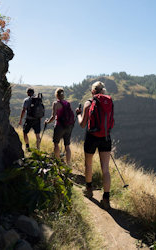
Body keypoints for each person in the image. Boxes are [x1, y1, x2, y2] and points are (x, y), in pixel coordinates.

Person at [76, 81, 113, 210]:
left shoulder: (88, 103)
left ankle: (89, 189)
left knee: (89, 164)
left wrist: (79, 114)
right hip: (106, 137)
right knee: (105, 169)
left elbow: (82, 124)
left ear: (93, 91)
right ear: (102, 91)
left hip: (91, 137)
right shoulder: (108, 102)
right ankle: (106, 199)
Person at [45, 88, 74, 164]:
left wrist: (47, 122)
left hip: (59, 126)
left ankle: (58, 162)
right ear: (63, 95)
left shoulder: (56, 103)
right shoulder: (67, 103)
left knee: (56, 144)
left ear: (56, 95)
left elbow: (53, 117)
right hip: (68, 126)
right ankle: (68, 164)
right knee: (67, 146)